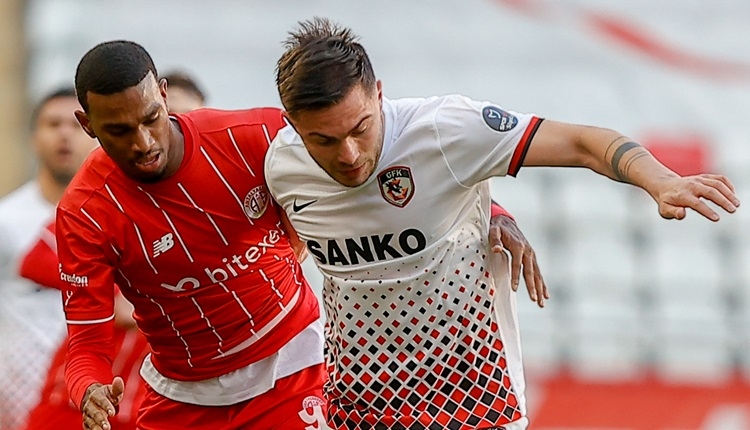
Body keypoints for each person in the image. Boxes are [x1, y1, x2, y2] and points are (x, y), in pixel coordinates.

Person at [265, 17, 741, 430]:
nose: (347, 155)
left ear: (379, 94)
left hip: (473, 392)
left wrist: (660, 182)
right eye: (324, 141)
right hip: (360, 402)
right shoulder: (278, 165)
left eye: (360, 128)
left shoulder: (443, 130)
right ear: (291, 123)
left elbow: (582, 142)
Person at [58, 41, 543, 430]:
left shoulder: (251, 136)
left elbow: (375, 159)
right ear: (87, 124)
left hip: (293, 366)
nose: (143, 142)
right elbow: (86, 344)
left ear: (163, 95)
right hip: (182, 392)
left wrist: (492, 211)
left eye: (150, 119)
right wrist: (91, 390)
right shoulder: (84, 212)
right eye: (120, 130)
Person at [21, 73, 207, 430]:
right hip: (72, 408)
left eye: (189, 121)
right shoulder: (102, 196)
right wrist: (115, 295)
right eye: (168, 119)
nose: (156, 139)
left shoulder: (211, 206)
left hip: (154, 408)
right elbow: (37, 258)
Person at [0, 87, 96, 430]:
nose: (64, 135)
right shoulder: (7, 221)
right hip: (18, 398)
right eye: (52, 124)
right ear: (33, 137)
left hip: (88, 396)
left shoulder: (113, 220)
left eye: (75, 125)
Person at [20, 221, 148, 430]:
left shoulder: (203, 223)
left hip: (141, 409)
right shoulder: (105, 206)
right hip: (72, 403)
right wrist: (108, 294)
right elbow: (37, 260)